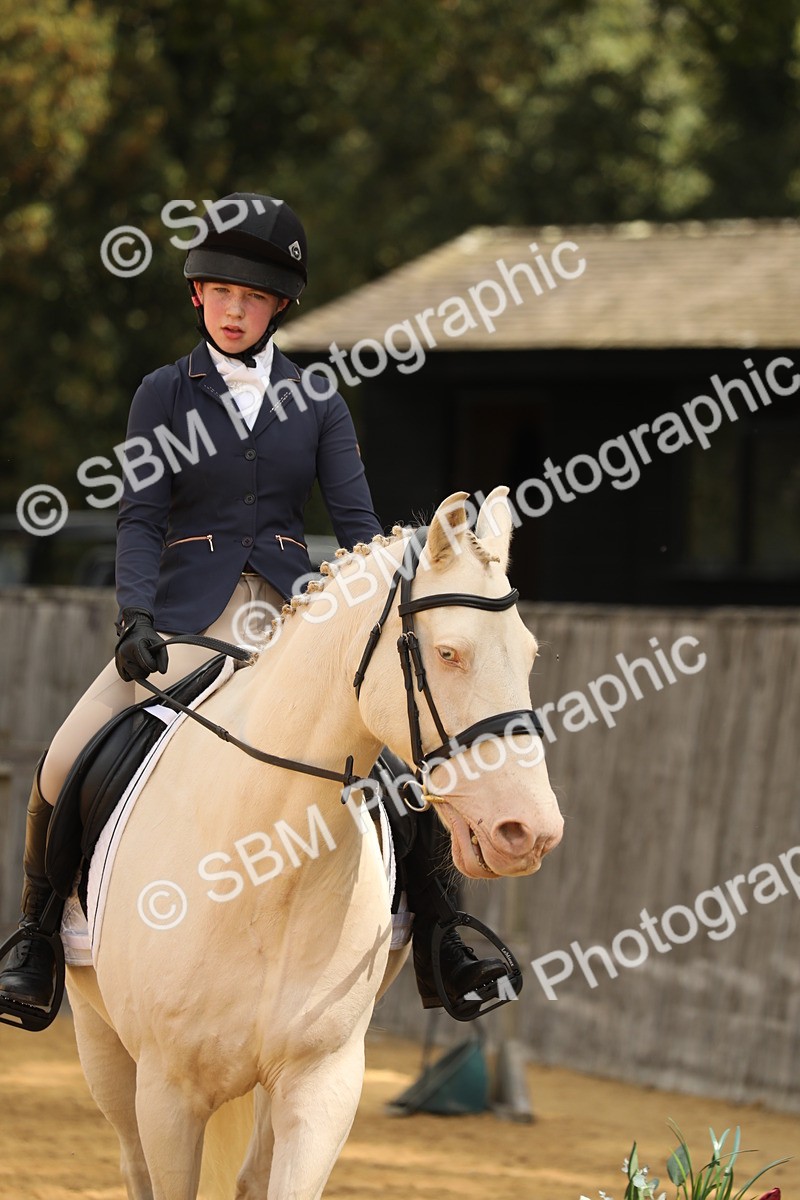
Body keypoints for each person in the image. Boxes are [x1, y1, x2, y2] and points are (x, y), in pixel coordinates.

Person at [0, 193, 506, 1017]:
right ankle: (35, 937)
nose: (236, 311)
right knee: (66, 756)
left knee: (392, 763)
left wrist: (374, 621)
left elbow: (357, 528)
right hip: (184, 620)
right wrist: (132, 616)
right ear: (198, 295)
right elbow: (141, 514)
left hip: (292, 618)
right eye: (223, 294)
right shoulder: (163, 393)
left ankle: (446, 935)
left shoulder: (319, 401)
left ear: (279, 307)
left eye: (256, 298)